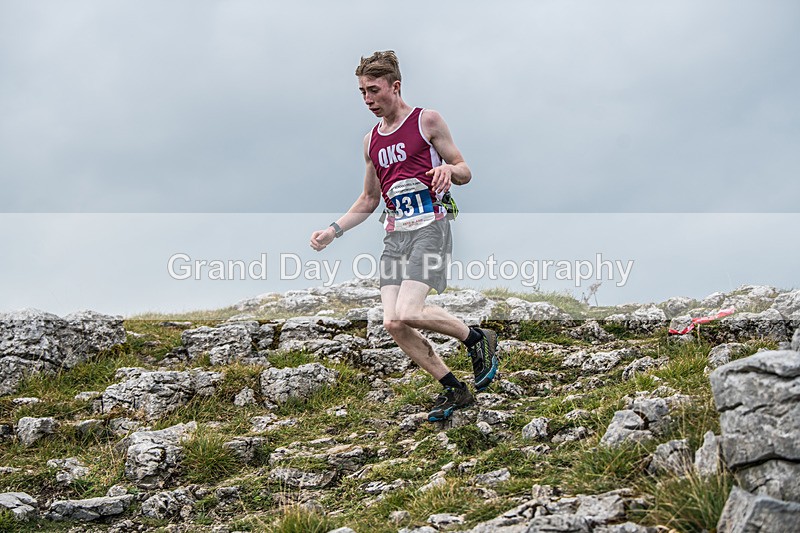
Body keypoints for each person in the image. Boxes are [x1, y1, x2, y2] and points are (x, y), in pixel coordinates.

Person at [309, 50, 498, 422]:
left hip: (430, 227)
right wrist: (333, 231)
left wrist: (448, 169)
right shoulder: (370, 143)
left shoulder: (426, 120)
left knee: (411, 311)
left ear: (395, 87)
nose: (367, 100)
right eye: (362, 92)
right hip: (395, 237)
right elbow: (368, 199)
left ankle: (478, 339)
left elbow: (465, 169)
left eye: (374, 90)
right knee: (393, 322)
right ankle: (454, 389)